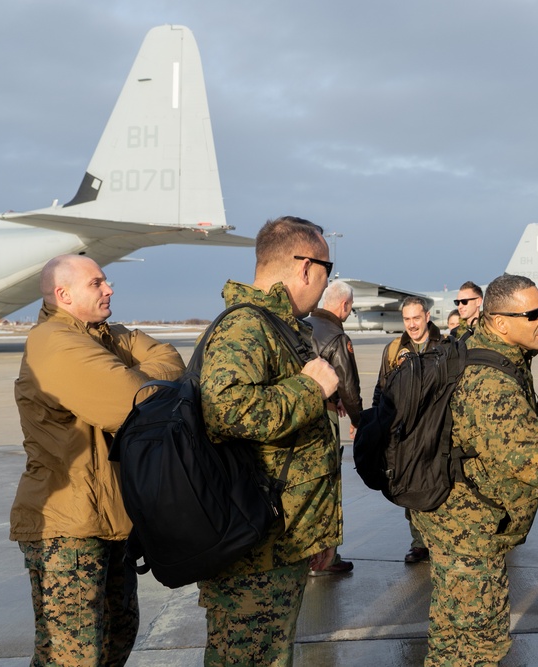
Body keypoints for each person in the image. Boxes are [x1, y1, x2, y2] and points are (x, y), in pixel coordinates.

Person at [412, 273, 538, 666]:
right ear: (501, 323)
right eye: (533, 313)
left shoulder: (478, 347)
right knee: (481, 647)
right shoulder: (491, 381)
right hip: (471, 532)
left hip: (452, 520)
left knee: (450, 639)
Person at [10, 254, 186, 667]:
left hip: (113, 522)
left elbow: (173, 361)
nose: (109, 289)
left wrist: (138, 375)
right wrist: (137, 378)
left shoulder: (105, 337)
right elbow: (130, 404)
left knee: (115, 643)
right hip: (67, 529)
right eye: (97, 283)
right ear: (63, 294)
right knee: (73, 658)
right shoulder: (53, 341)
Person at [198, 215, 342, 666]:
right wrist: (310, 389)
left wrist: (317, 533)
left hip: (281, 543)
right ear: (304, 267)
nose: (325, 284)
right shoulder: (247, 327)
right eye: (327, 270)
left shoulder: (279, 327)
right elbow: (226, 409)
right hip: (253, 552)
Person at [372, 295, 444, 563]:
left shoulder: (446, 346)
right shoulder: (394, 350)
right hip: (404, 433)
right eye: (406, 319)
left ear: (427, 316)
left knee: (438, 485)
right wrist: (376, 424)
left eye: (416, 318)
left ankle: (440, 541)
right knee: (409, 487)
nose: (412, 325)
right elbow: (381, 390)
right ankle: (419, 543)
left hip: (436, 430)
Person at [304, 279, 362, 576]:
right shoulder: (336, 336)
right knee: (328, 485)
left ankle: (305, 555)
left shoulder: (302, 326)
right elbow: (349, 386)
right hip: (323, 418)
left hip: (297, 413)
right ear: (344, 305)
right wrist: (358, 419)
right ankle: (328, 555)